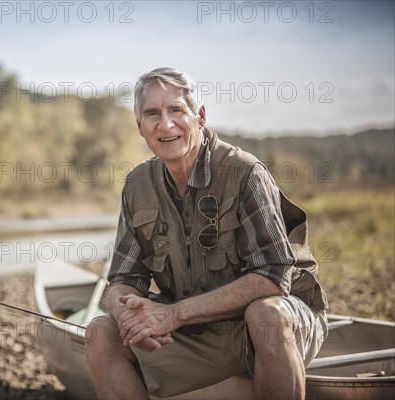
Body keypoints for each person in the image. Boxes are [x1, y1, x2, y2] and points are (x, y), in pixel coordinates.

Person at [85, 67, 329, 400]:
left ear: (199, 116)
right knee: (101, 332)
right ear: (140, 127)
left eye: (176, 110)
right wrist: (126, 314)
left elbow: (273, 279)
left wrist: (172, 314)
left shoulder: (244, 172)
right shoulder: (137, 186)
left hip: (273, 327)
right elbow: (124, 278)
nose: (165, 124)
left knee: (265, 314)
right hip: (198, 333)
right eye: (152, 113)